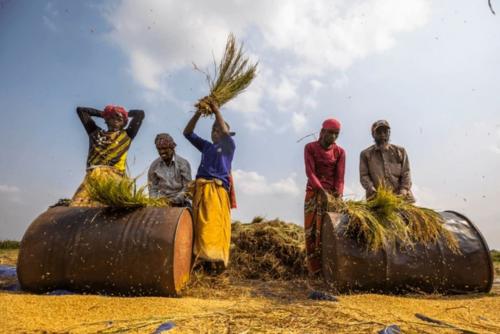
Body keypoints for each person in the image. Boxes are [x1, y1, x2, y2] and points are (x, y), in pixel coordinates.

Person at [183, 98, 236, 272]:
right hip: (201, 190)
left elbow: (225, 133)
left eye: (219, 130)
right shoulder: (206, 146)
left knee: (211, 226)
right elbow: (188, 133)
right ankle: (201, 261)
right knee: (199, 226)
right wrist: (199, 111)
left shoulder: (228, 147)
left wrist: (216, 110)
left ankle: (214, 263)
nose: (215, 132)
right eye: (213, 130)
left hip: (216, 191)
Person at [71, 105, 145, 206]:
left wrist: (125, 113)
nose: (117, 118)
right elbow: (81, 110)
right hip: (93, 178)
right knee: (78, 206)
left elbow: (140, 114)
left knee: (114, 209)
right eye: (113, 117)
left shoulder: (127, 135)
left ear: (124, 123)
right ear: (106, 119)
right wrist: (104, 113)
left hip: (115, 178)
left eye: (120, 118)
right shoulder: (95, 133)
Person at [304, 118, 346, 275]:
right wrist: (321, 191)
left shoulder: (340, 152)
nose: (333, 137)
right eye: (331, 133)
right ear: (322, 132)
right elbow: (310, 172)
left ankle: (329, 270)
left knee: (327, 231)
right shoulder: (310, 148)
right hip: (314, 194)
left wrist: (338, 196)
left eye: (337, 134)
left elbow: (340, 178)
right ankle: (314, 270)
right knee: (311, 231)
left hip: (331, 196)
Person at [359, 120, 415, 202]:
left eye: (385, 132)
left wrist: (404, 190)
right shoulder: (366, 154)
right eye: (379, 132)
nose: (382, 135)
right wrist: (371, 189)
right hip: (377, 199)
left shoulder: (400, 151)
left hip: (402, 198)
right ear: (373, 134)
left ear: (389, 133)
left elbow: (406, 172)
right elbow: (364, 176)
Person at [148, 133, 192, 207]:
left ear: (172, 148)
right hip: (162, 204)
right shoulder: (154, 166)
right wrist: (155, 202)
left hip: (182, 203)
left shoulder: (183, 163)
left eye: (165, 148)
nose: (162, 152)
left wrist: (174, 201)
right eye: (159, 149)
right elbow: (152, 188)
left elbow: (188, 187)